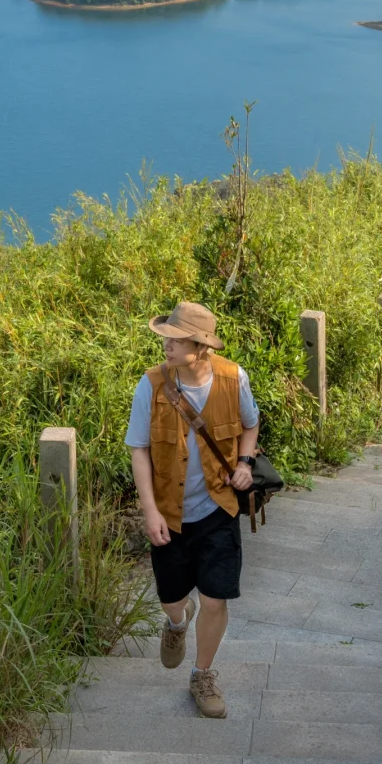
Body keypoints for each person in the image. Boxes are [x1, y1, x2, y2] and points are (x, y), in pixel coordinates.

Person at [125, 301, 260, 719]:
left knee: (216, 599)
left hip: (218, 508)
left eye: (175, 338)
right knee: (172, 598)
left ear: (201, 347)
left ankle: (202, 675)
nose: (165, 344)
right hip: (168, 513)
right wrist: (149, 511)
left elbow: (251, 424)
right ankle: (177, 623)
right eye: (166, 336)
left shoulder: (232, 378)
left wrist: (244, 464)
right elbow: (139, 450)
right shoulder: (150, 385)